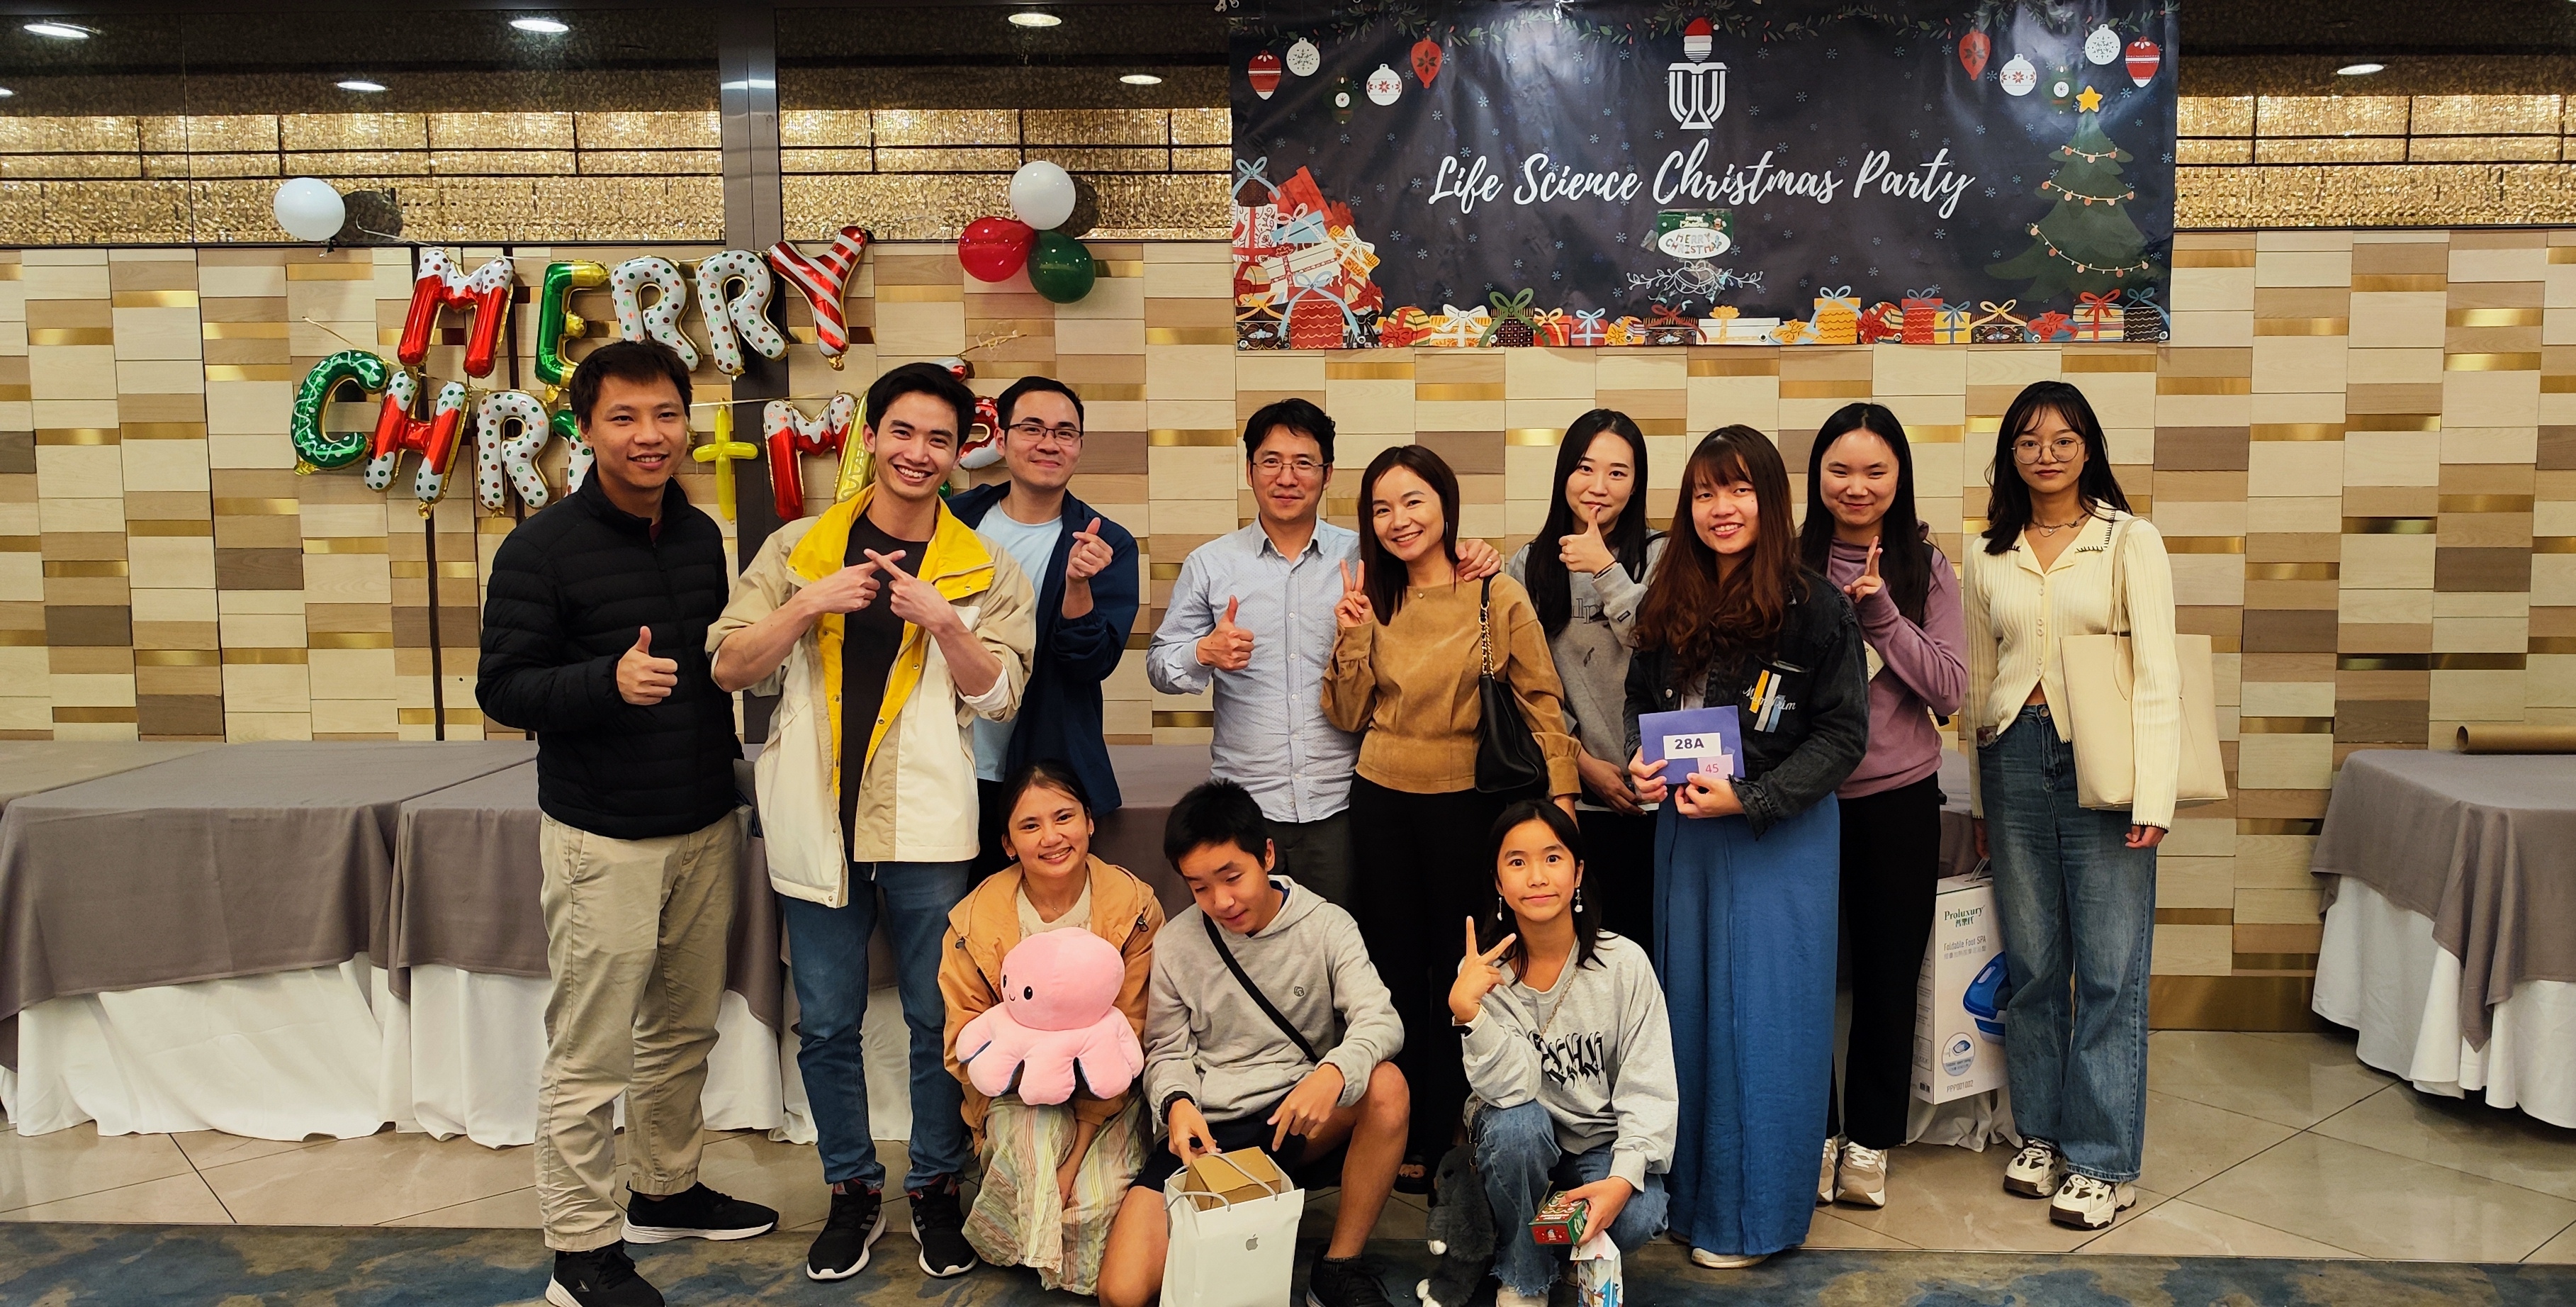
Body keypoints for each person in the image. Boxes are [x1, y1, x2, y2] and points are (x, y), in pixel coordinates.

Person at [707, 361, 1037, 1283]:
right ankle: (850, 1192)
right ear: (871, 437)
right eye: (902, 432)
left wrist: (943, 621)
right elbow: (730, 667)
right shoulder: (799, 550)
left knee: (940, 1019)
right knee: (826, 1023)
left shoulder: (982, 566)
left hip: (928, 829)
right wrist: (810, 603)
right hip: (816, 824)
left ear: (957, 449)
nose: (918, 453)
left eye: (938, 438)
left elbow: (1002, 694)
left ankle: (933, 1187)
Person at [477, 340, 777, 1307]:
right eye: (624, 418)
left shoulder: (695, 534)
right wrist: (604, 682)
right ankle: (580, 1247)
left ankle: (664, 1187)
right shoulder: (539, 549)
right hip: (602, 837)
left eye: (664, 415)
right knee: (590, 1051)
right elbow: (503, 689)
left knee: (682, 1030)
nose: (649, 436)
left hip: (700, 821)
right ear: (584, 428)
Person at [1621, 425, 1867, 1270]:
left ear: (1770, 498)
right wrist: (1640, 765)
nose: (1720, 509)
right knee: (1687, 1014)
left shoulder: (1815, 606)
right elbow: (1638, 703)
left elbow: (1841, 736)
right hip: (1684, 834)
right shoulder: (1668, 597)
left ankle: (1755, 1216)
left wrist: (1753, 796)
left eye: (1738, 490)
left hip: (1777, 838)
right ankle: (1690, 1203)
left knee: (1764, 1022)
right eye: (1702, 493)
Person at [1322, 444, 1581, 1191]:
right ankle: (1399, 1122)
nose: (1398, 520)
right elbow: (1344, 713)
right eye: (1380, 507)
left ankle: (1454, 1123)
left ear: (1445, 505)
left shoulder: (1492, 591)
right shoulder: (1371, 594)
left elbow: (1540, 700)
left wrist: (1562, 804)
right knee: (1393, 965)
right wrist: (1350, 633)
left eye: (1413, 501)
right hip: (1380, 799)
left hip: (1469, 803)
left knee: (1465, 966)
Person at [1962, 380, 2177, 1232]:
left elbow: (2158, 674)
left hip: (2107, 763)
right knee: (2036, 964)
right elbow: (1978, 685)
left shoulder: (2130, 540)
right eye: (2026, 440)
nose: (2043, 454)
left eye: (2060, 439)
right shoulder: (1987, 551)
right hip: (2014, 754)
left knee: (2110, 968)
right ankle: (2042, 1132)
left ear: (2086, 446)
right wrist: (1979, 795)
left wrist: (2152, 791)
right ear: (2008, 454)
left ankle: (2102, 1158)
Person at [1146, 400, 1500, 908]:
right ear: (1249, 471)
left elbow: (1433, 576)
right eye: (1271, 461)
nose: (1286, 476)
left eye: (1303, 462)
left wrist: (1473, 553)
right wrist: (1202, 653)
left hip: (1345, 800)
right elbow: (1160, 665)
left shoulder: (1369, 555)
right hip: (1249, 803)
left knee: (1348, 949)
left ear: (1327, 474)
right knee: (1254, 951)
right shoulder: (1210, 565)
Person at [1097, 779, 1410, 1307]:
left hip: (1292, 1115)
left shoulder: (1327, 926)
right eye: (1198, 887)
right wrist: (1176, 1106)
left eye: (1231, 877)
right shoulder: (1176, 942)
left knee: (1385, 1084)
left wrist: (1332, 1074)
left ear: (1266, 854)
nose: (1220, 901)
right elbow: (1167, 1050)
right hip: (1208, 1130)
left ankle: (1336, 1268)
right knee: (1121, 1293)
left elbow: (1380, 1021)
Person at [1796, 403, 1967, 1211]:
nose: (1856, 485)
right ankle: (1813, 1131)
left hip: (1896, 802)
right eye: (1839, 468)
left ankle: (1867, 1139)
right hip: (1798, 804)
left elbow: (1948, 688)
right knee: (1799, 975)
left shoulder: (1924, 567)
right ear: (1815, 476)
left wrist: (1879, 613)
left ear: (1898, 477)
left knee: (1887, 975)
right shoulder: (1783, 561)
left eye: (1874, 470)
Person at [938, 760, 1165, 1294]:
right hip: (1019, 1094)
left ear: (1090, 821)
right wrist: (1028, 1078)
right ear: (1008, 843)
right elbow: (962, 1042)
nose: (1051, 837)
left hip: (1109, 1094)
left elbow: (1132, 1032)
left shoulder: (1132, 909)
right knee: (1038, 1154)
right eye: (1030, 826)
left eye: (1064, 817)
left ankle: (1045, 1250)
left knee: (1090, 1199)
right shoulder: (974, 923)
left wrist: (1082, 1138)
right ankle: (1036, 1249)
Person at [1449, 801, 1675, 1307]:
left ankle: (1553, 1252)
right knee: (1517, 1125)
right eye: (1516, 862)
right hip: (1521, 1149)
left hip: (1596, 1146)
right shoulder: (1485, 976)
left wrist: (1621, 1178)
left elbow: (1649, 1084)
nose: (1536, 877)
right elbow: (1510, 1093)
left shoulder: (1623, 964)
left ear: (1577, 874)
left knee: (1640, 1213)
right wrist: (1470, 1012)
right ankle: (1524, 1276)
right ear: (1498, 882)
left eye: (1552, 859)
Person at [946, 377, 1141, 878]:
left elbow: (1091, 665)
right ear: (1002, 439)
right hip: (947, 764)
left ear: (1078, 447)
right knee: (951, 925)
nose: (1048, 443)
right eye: (1032, 428)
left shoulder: (1105, 543)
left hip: (1039, 770)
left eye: (1065, 432)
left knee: (1041, 930)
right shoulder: (950, 522)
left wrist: (1078, 585)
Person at [1506, 410, 1666, 946]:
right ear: (1563, 476)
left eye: (1617, 473)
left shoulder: (1664, 556)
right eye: (1584, 468)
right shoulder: (1528, 566)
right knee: (1581, 954)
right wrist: (1582, 765)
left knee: (1649, 954)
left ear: (1636, 482)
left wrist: (1605, 570)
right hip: (1569, 800)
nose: (1598, 487)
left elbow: (1665, 651)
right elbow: (1518, 687)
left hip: (1661, 798)